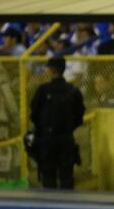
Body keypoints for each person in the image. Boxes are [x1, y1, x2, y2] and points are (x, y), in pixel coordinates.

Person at [30, 57, 85, 189]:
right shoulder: (73, 91)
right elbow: (79, 116)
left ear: (51, 70)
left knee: (48, 177)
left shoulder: (43, 90)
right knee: (66, 177)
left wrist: (42, 130)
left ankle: (49, 208)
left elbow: (34, 114)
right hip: (66, 138)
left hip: (47, 139)